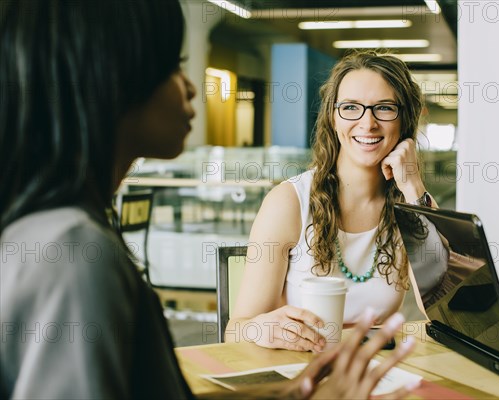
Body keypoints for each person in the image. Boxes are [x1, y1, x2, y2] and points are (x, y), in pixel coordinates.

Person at [0, 1, 419, 398]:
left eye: (384, 108)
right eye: (173, 66)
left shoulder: (67, 233)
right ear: (112, 82)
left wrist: (290, 395)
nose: (190, 88)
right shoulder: (71, 250)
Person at [228, 51, 445, 351]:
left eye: (383, 108)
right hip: (300, 373)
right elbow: (236, 330)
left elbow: (442, 308)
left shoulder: (414, 202)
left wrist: (413, 185)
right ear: (333, 117)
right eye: (351, 108)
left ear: (404, 118)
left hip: (375, 372)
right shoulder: (289, 203)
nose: (367, 123)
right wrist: (258, 330)